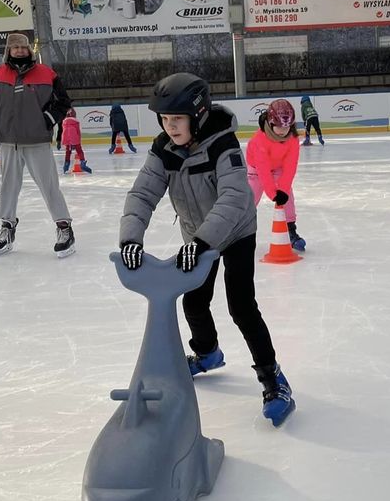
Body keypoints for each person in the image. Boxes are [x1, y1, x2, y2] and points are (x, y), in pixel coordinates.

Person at [118, 72, 295, 427]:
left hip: (236, 232)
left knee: (241, 306)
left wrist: (201, 243)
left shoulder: (222, 144)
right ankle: (208, 353)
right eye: (164, 120)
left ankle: (273, 380)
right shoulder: (163, 149)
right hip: (197, 236)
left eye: (177, 119)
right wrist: (130, 238)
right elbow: (143, 194)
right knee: (194, 301)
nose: (170, 127)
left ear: (197, 115)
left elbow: (233, 198)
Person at [0, 32, 76, 258]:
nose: (20, 51)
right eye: (15, 48)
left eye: (23, 47)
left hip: (37, 141)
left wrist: (47, 119)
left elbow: (63, 102)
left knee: (49, 186)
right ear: (9, 51)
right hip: (8, 142)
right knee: (8, 187)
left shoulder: (47, 73)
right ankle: (7, 228)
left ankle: (65, 229)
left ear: (29, 50)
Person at [246, 99, 305, 251]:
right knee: (248, 201)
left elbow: (290, 167)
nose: (282, 131)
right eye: (278, 126)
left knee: (288, 197)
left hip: (278, 167)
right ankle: (239, 234)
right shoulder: (260, 139)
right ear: (271, 123)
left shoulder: (292, 139)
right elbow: (263, 170)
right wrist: (273, 194)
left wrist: (283, 190)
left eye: (287, 127)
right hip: (256, 169)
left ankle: (291, 230)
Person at [60, 108, 92, 174]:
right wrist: (78, 140)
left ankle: (66, 165)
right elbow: (78, 132)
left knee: (68, 152)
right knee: (79, 151)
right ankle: (82, 163)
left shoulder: (64, 122)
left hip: (66, 138)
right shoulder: (76, 122)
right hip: (74, 137)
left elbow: (63, 131)